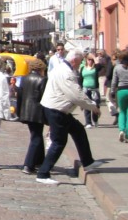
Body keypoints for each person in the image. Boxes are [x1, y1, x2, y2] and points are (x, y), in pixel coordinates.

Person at [37, 50, 104, 185]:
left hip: (58, 108)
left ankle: (87, 162)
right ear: (74, 60)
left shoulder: (62, 68)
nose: (80, 65)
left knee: (78, 130)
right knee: (59, 142)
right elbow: (75, 94)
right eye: (79, 62)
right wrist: (93, 107)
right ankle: (43, 173)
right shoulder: (66, 72)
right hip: (57, 110)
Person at [18, 58, 48, 175]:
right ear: (41, 69)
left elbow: (19, 95)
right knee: (36, 138)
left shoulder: (24, 79)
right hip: (37, 112)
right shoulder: (43, 80)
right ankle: (28, 164)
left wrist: (20, 111)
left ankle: (39, 161)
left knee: (36, 135)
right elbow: (44, 97)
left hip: (26, 111)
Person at [80, 54, 100, 128]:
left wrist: (94, 57)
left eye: (91, 60)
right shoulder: (83, 68)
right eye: (89, 59)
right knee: (87, 105)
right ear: (86, 60)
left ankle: (95, 119)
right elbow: (80, 79)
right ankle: (88, 122)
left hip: (94, 89)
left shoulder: (95, 68)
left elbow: (99, 65)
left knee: (95, 105)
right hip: (85, 88)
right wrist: (80, 88)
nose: (90, 61)